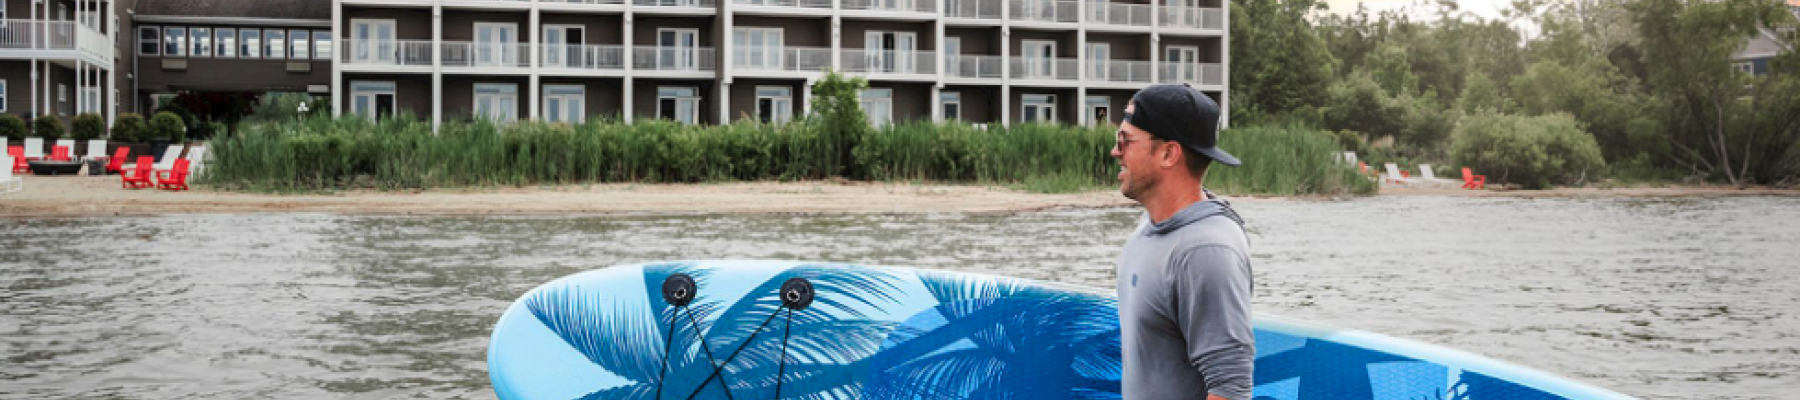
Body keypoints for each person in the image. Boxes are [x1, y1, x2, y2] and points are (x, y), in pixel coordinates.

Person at [1111, 84, 1254, 400]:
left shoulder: (1206, 252)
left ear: (1168, 154)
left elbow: (1230, 389)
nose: (1115, 152)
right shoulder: (1153, 224)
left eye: (1125, 141)